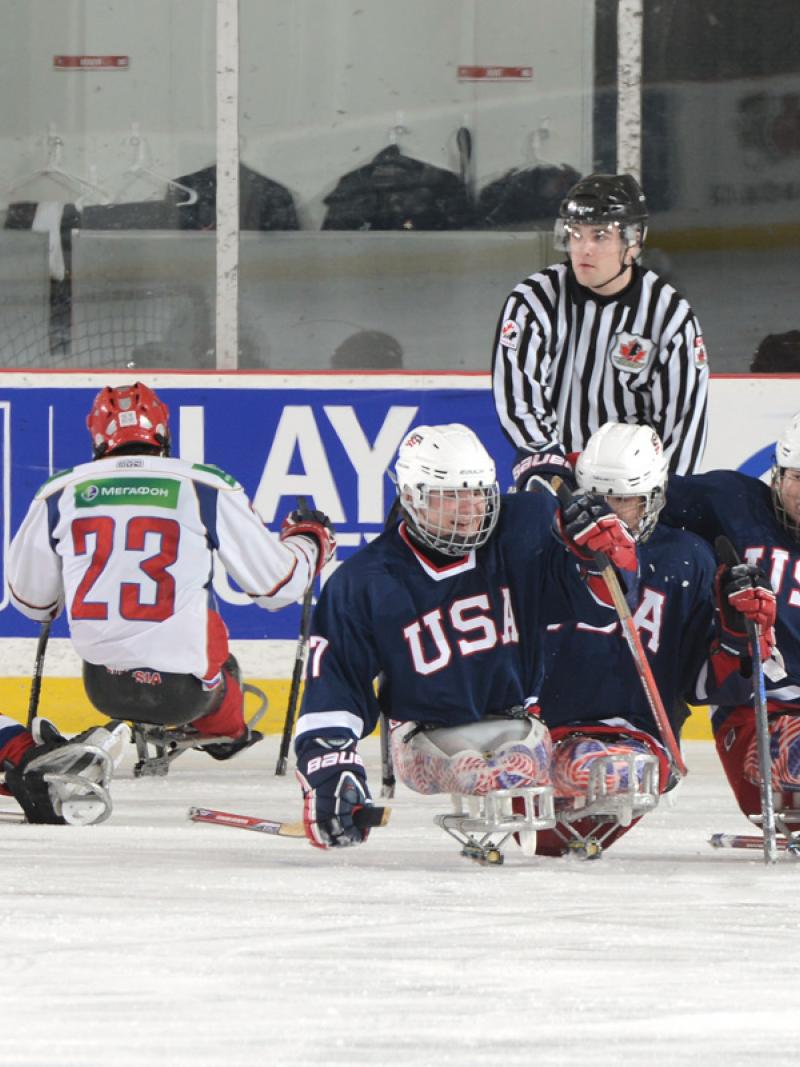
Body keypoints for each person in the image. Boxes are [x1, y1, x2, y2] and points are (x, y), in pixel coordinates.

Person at [292, 421, 644, 853]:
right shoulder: (363, 582)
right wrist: (331, 770)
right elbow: (334, 687)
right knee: (476, 771)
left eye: (478, 493)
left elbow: (603, 605)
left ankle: (552, 827)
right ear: (411, 497)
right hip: (424, 736)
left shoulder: (524, 528)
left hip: (519, 723)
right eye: (450, 496)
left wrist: (602, 555)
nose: (469, 509)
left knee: (565, 766)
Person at [3, 381, 335, 824]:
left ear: (97, 438)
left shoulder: (59, 491)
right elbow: (279, 588)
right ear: (163, 432)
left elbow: (31, 602)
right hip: (186, 692)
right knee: (209, 631)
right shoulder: (204, 484)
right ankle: (227, 731)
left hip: (103, 684)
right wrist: (309, 541)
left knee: (182, 634)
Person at [536, 421, 774, 856]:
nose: (610, 511)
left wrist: (738, 636)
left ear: (654, 498)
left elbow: (700, 686)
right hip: (543, 732)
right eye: (599, 498)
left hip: (639, 737)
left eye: (625, 499)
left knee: (607, 775)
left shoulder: (688, 558)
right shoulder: (542, 547)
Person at [491, 173, 709, 493]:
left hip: (631, 492)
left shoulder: (671, 319)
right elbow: (519, 402)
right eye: (576, 235)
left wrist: (655, 502)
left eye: (600, 236)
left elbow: (683, 428)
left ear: (634, 240)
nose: (584, 249)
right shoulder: (532, 301)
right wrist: (554, 476)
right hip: (553, 482)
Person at [662, 413, 800, 827]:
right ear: (776, 477)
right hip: (759, 713)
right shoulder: (734, 503)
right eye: (797, 476)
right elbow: (640, 497)